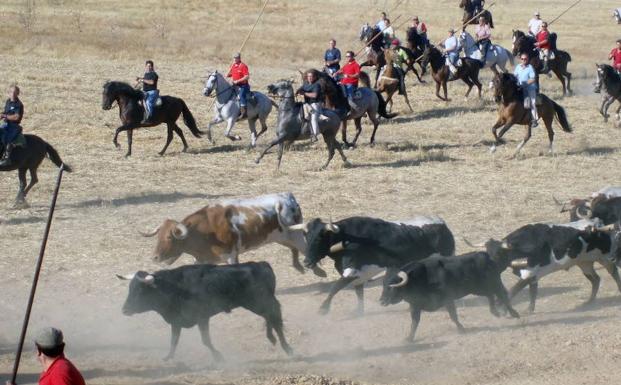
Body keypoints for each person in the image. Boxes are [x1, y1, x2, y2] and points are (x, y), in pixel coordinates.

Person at [0, 85, 24, 167]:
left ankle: (7, 159)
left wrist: (5, 116)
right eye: (11, 92)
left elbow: (16, 117)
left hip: (14, 126)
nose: (12, 94)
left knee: (7, 138)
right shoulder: (8, 101)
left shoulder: (19, 104)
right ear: (8, 93)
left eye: (14, 92)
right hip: (6, 124)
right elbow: (5, 112)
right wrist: (2, 115)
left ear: (18, 93)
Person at [296, 71, 324, 141]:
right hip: (307, 103)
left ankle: (314, 134)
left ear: (314, 77)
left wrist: (304, 93)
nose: (310, 78)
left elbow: (314, 95)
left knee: (313, 118)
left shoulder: (317, 85)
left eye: (311, 76)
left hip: (315, 103)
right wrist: (297, 91)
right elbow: (300, 89)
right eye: (308, 76)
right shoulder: (305, 84)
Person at [514, 54, 539, 128]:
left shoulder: (530, 67)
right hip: (519, 87)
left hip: (530, 88)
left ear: (528, 60)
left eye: (525, 59)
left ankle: (534, 119)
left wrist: (524, 84)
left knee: (532, 103)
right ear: (520, 59)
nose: (523, 60)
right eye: (522, 59)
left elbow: (533, 78)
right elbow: (515, 76)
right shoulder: (518, 67)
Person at [227, 52, 250, 120]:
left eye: (236, 58)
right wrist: (228, 74)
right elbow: (231, 74)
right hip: (235, 85)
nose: (234, 59)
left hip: (243, 86)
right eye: (234, 58)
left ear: (239, 58)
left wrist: (237, 81)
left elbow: (247, 76)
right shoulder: (233, 65)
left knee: (241, 95)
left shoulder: (243, 66)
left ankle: (244, 113)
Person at [136, 60, 158, 124]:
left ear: (152, 67)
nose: (148, 67)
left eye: (150, 66)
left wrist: (142, 80)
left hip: (152, 92)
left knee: (148, 102)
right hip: (145, 92)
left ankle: (150, 118)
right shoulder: (146, 74)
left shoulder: (154, 74)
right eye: (147, 66)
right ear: (145, 66)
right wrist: (139, 79)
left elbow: (152, 82)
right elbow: (145, 80)